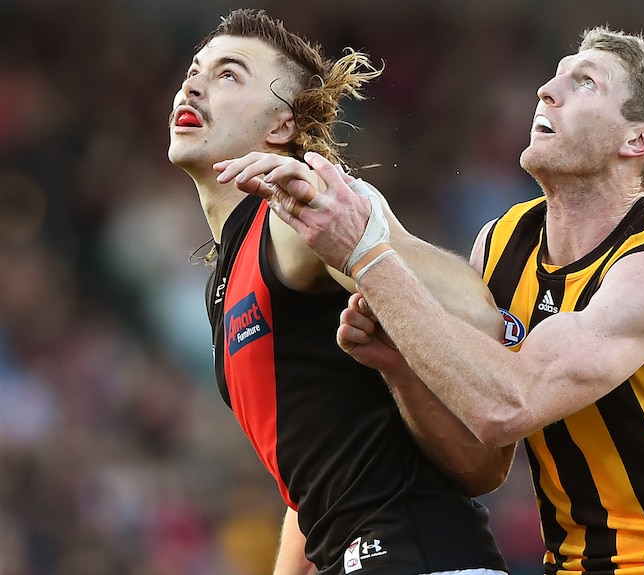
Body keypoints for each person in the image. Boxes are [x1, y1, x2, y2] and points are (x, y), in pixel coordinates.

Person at [244, 26, 644, 575]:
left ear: (640, 140)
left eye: (585, 83)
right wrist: (400, 367)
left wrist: (365, 257)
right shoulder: (501, 244)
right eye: (556, 75)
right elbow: (482, 465)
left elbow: (508, 407)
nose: (547, 90)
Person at [167, 8, 515, 575]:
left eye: (229, 74)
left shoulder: (305, 213)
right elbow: (311, 486)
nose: (194, 83)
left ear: (281, 126)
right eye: (195, 69)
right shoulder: (226, 277)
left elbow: (480, 315)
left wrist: (359, 234)